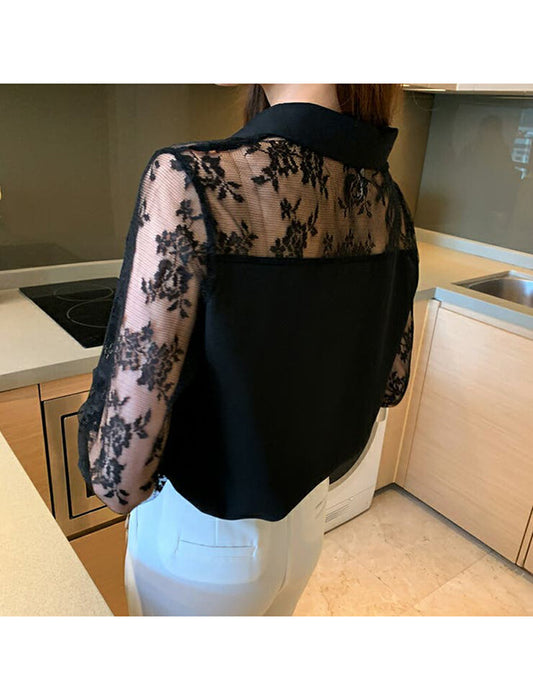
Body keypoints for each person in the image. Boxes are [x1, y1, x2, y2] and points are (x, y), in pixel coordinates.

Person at [77, 83, 419, 616]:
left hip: (199, 541)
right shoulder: (387, 198)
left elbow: (117, 479)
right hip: (304, 524)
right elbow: (391, 382)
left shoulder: (190, 178)